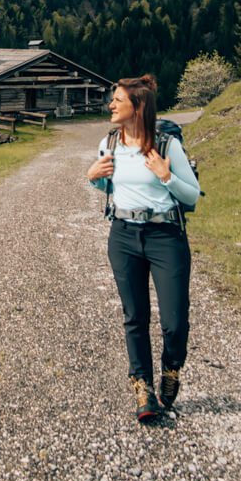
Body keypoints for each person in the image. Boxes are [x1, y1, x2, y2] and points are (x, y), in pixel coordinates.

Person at [86, 75, 201, 422]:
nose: (111, 105)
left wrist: (167, 176)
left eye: (118, 100)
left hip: (165, 236)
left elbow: (192, 195)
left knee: (174, 319)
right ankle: (142, 387)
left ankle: (171, 367)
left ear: (137, 108)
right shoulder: (109, 143)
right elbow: (107, 184)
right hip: (123, 236)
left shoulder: (166, 146)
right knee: (134, 316)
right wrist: (93, 177)